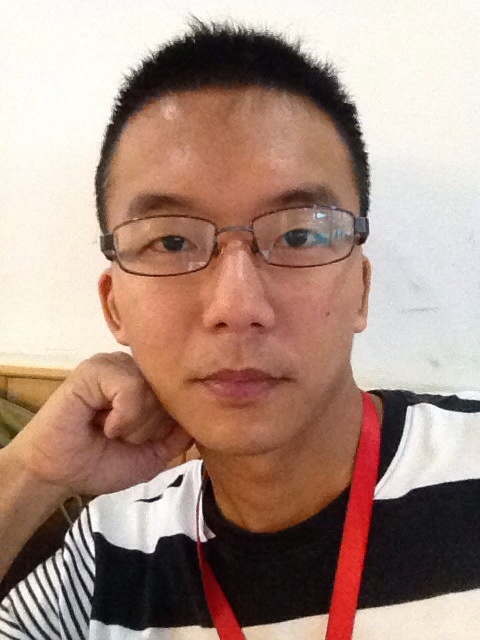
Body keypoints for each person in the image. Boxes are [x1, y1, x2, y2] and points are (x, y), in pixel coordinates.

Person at [1, 20, 479, 639]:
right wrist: (32, 473)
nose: (236, 305)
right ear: (114, 307)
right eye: (172, 241)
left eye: (299, 234)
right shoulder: (106, 552)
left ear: (361, 289)